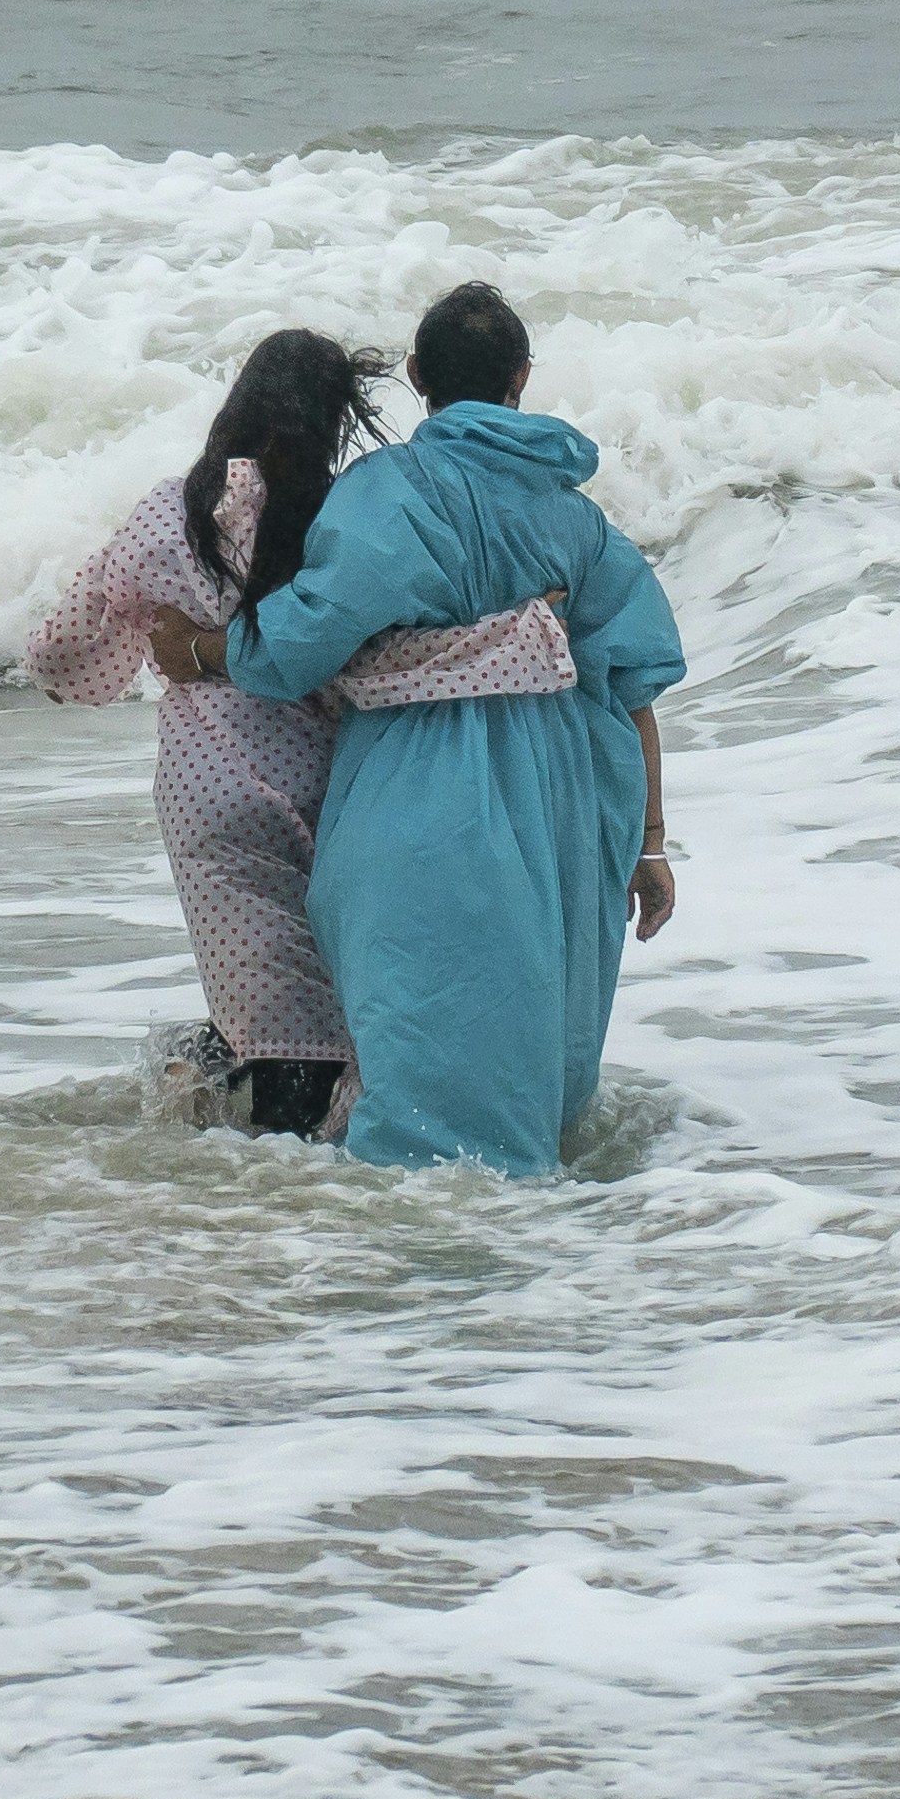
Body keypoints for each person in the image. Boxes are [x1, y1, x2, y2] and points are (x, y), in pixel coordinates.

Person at [150, 281, 684, 1175]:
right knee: (532, 1048)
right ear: (522, 376)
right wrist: (650, 845)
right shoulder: (579, 520)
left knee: (412, 1045)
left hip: (415, 791)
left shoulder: (385, 494)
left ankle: (393, 1274)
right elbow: (634, 691)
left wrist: (201, 652)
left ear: (414, 375)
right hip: (560, 808)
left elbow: (298, 643)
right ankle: (552, 1264)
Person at [29, 328, 563, 1138]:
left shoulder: (166, 513)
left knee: (272, 1009)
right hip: (334, 790)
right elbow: (379, 656)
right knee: (338, 1018)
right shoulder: (344, 520)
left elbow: (60, 655)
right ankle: (287, 1184)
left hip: (207, 795)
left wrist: (166, 649)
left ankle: (220, 1122)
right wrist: (515, 632)